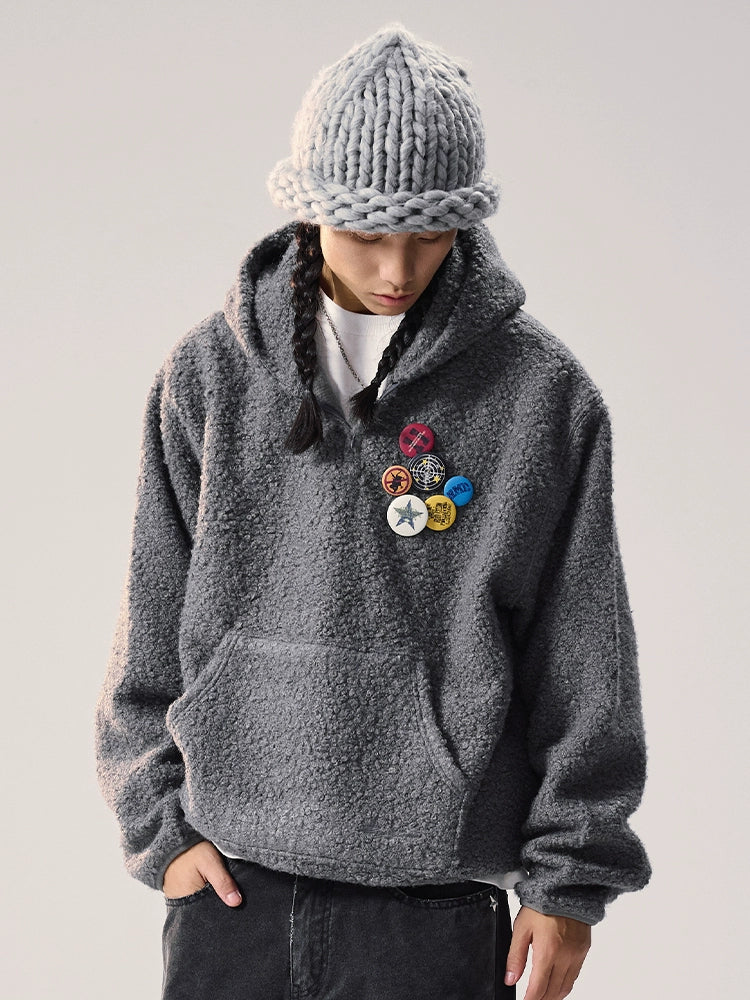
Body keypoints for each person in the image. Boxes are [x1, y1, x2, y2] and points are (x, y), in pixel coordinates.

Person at [94, 23, 651, 1000]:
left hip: (433, 904)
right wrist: (158, 826)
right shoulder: (207, 378)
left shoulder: (542, 398)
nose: (397, 269)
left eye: (429, 233)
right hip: (232, 892)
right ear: (311, 213)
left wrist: (569, 881)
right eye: (365, 234)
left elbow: (584, 656)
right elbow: (149, 623)